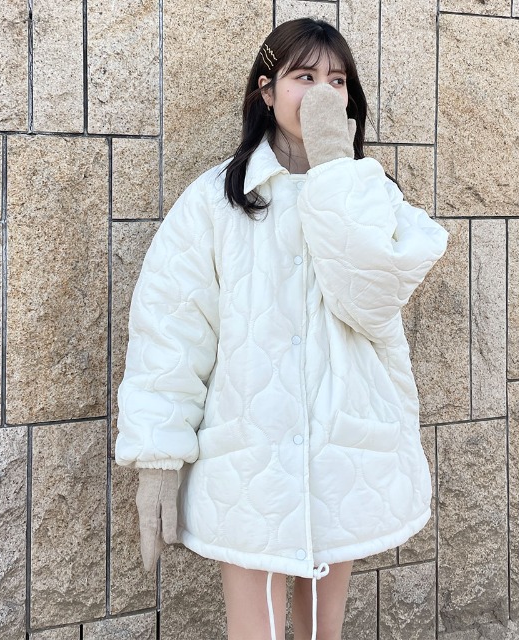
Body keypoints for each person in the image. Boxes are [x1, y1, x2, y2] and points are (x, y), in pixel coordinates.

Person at [115, 17, 449, 640]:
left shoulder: (370, 195)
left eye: (337, 80)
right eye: (304, 77)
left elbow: (369, 297)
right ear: (266, 92)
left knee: (323, 633)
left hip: (343, 450)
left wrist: (335, 170)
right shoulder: (216, 199)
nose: (323, 93)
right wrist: (158, 455)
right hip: (252, 458)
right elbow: (171, 329)